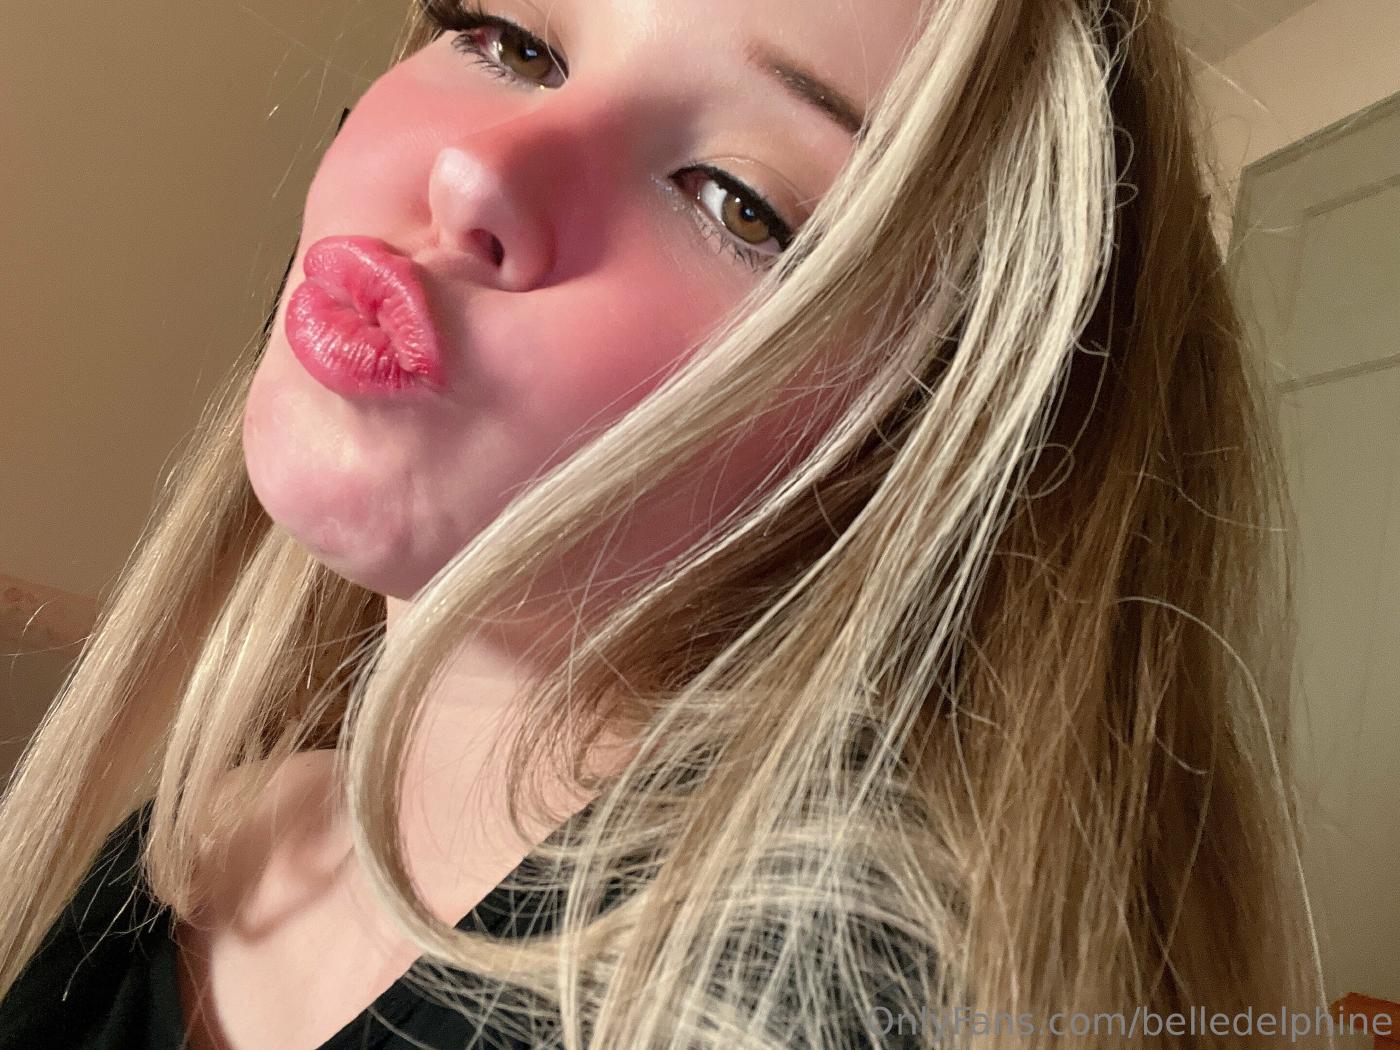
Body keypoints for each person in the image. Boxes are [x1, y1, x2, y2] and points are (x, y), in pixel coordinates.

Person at [0, 0, 1329, 1047]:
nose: (477, 169)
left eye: (738, 199)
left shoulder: (826, 1007)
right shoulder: (219, 830)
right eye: (509, 39)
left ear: (912, 455)